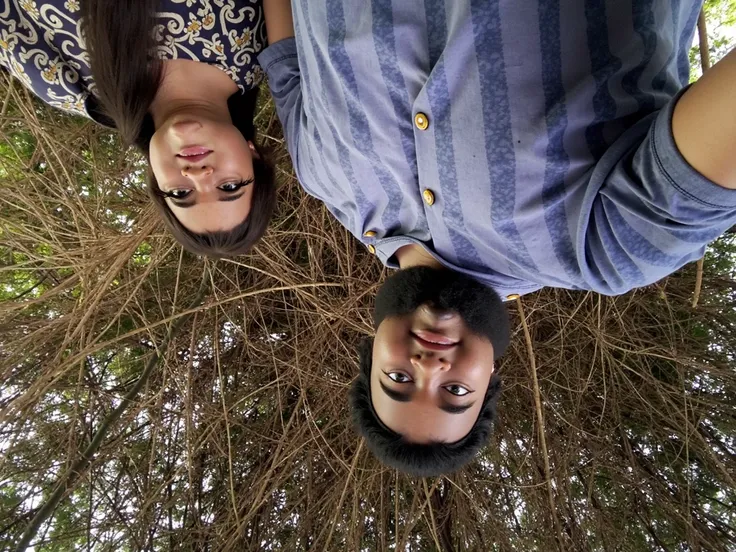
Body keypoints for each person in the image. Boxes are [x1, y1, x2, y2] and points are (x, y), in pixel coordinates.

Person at [258, 0, 736, 476]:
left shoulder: (319, 174)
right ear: (488, 377)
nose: (429, 367)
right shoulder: (607, 248)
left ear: (370, 354)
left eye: (398, 378)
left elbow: (284, 49)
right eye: (455, 392)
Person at [0, 0, 276, 257]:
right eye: (229, 186)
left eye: (180, 194)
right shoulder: (268, 41)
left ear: (156, 179)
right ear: (254, 156)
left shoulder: (67, 86)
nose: (197, 176)